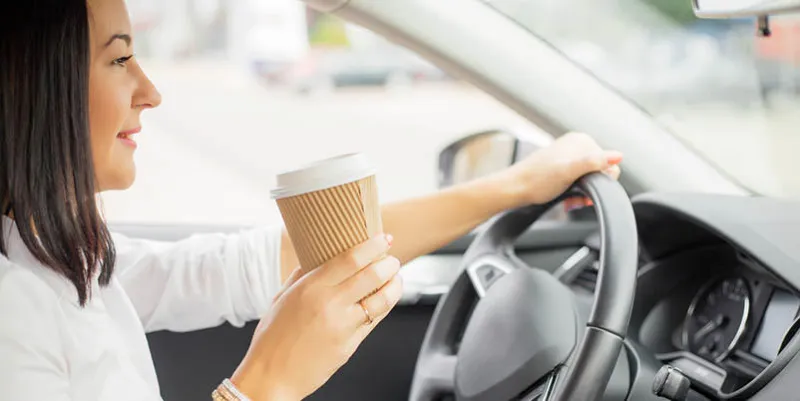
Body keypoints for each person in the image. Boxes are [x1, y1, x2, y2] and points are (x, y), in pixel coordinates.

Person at [0, 1, 622, 400]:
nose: (151, 92)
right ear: (34, 84)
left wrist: (515, 185)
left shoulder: (58, 256)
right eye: (121, 60)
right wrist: (265, 382)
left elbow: (264, 258)